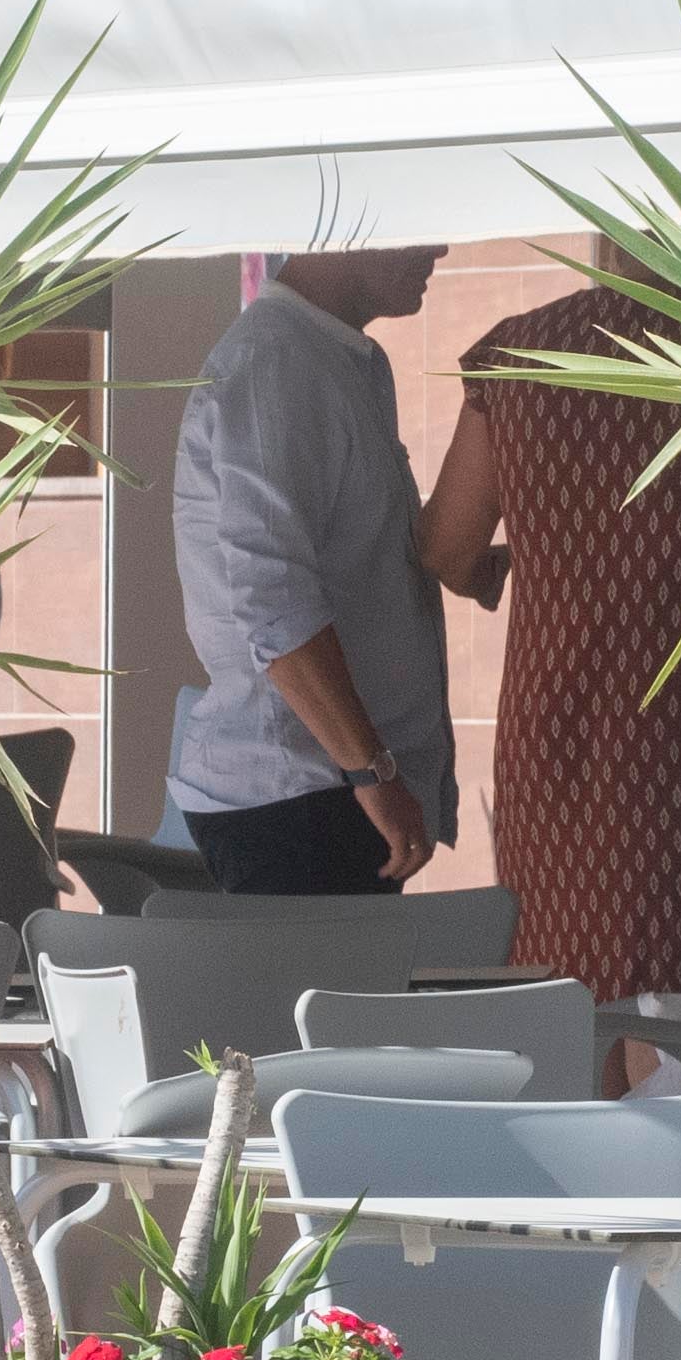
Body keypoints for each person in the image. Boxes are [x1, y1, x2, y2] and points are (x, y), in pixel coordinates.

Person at [421, 261, 681, 1020]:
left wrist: (541, 563)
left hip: (566, 736)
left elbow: (445, 548)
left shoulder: (520, 355)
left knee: (575, 978)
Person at [171, 245, 453, 897]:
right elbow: (276, 606)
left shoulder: (334, 356)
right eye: (421, 224)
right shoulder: (278, 360)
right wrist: (372, 772)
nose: (440, 247)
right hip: (305, 799)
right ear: (351, 231)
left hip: (330, 792)